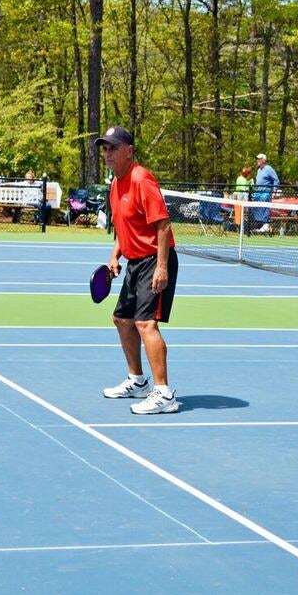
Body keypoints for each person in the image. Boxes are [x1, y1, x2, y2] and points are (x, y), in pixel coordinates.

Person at [98, 126, 181, 415]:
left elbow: (163, 225)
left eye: (113, 148)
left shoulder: (141, 179)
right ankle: (137, 380)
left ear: (129, 150)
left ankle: (164, 393)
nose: (107, 153)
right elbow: (124, 227)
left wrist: (161, 268)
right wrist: (114, 257)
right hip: (134, 262)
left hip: (155, 260)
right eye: (105, 148)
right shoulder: (115, 184)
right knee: (122, 319)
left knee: (146, 324)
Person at [251, 154, 279, 233]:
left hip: (266, 192)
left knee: (265, 208)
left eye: (259, 159)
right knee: (256, 208)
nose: (257, 160)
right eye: (257, 159)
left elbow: (276, 180)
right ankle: (259, 225)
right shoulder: (258, 170)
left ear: (263, 160)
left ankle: (266, 225)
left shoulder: (269, 169)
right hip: (258, 193)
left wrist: (274, 191)